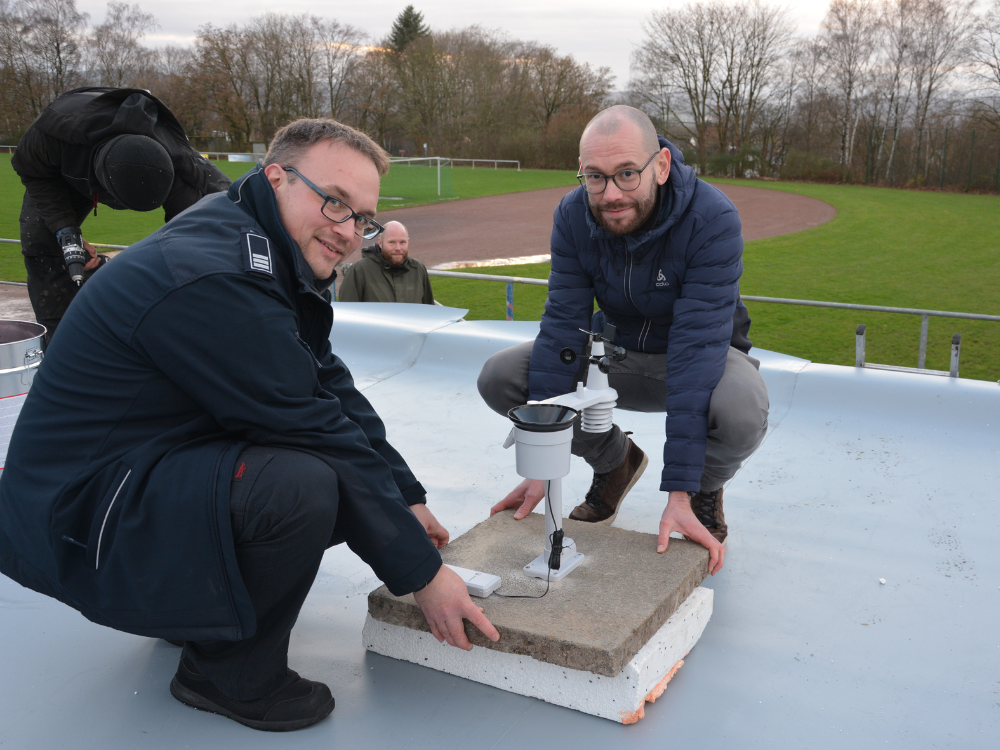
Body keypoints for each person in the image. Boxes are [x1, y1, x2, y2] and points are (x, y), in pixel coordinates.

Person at [0, 118, 498, 732]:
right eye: (334, 202)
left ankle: (193, 619)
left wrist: (406, 495)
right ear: (276, 178)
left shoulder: (258, 241)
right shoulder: (219, 275)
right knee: (302, 485)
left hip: (126, 482)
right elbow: (312, 424)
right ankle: (226, 673)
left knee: (344, 488)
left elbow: (325, 380)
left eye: (362, 218)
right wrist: (424, 578)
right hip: (80, 522)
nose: (348, 232)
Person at [477, 105, 770, 576]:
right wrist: (540, 468)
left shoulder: (712, 218)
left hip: (698, 359)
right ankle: (615, 462)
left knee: (741, 410)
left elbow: (697, 353)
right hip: (614, 353)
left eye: (626, 174)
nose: (610, 194)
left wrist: (678, 491)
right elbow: (562, 329)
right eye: (595, 177)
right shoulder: (574, 214)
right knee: (501, 377)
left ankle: (702, 490)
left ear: (661, 166)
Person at [11, 86, 232, 340]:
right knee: (41, 243)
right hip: (64, 167)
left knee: (212, 224)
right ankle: (59, 339)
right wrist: (65, 230)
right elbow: (31, 171)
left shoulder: (179, 166)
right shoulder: (52, 132)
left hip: (154, 162)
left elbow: (194, 237)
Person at [338, 220, 435, 304]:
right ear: (380, 243)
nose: (398, 248)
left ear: (408, 242)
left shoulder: (418, 269)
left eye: (402, 242)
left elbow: (429, 311)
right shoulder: (359, 270)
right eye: (392, 242)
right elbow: (348, 314)